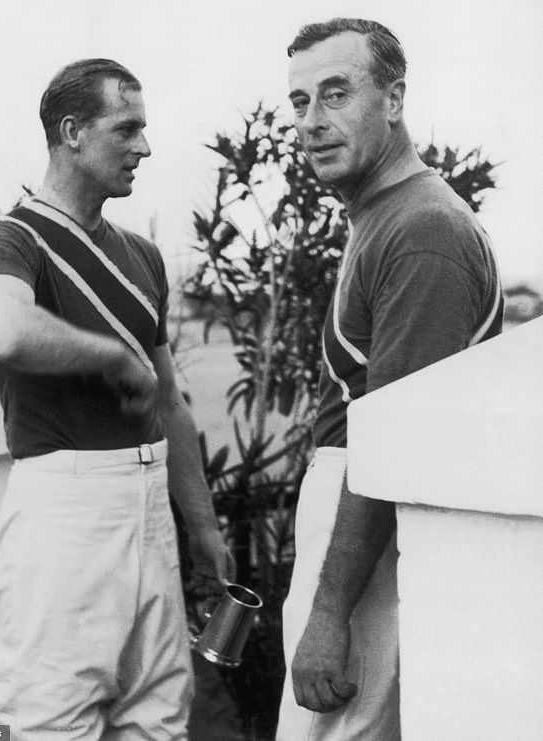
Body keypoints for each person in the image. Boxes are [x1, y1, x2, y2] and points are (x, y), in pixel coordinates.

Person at [0, 58, 235, 741]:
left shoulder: (143, 256)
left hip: (149, 510)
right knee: (54, 719)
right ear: (72, 132)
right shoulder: (10, 240)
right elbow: (4, 329)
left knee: (159, 717)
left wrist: (200, 522)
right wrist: (113, 354)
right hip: (64, 510)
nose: (145, 147)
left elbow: (170, 401)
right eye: (128, 129)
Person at [276, 18, 503, 741]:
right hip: (358, 528)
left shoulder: (422, 230)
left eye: (335, 95)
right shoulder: (380, 214)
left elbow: (395, 447)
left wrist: (330, 609)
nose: (312, 122)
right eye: (300, 102)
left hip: (375, 546)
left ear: (394, 98)